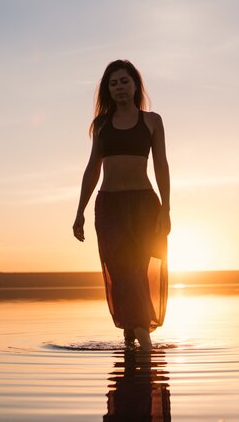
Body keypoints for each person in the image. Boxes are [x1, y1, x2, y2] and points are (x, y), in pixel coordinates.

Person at [72, 59, 171, 352]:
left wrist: (166, 208)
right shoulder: (101, 124)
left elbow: (162, 165)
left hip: (144, 206)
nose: (119, 88)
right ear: (108, 89)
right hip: (109, 207)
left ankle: (136, 339)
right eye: (113, 83)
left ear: (135, 85)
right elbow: (92, 169)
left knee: (138, 271)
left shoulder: (152, 121)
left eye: (124, 82)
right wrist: (79, 211)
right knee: (120, 271)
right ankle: (141, 340)